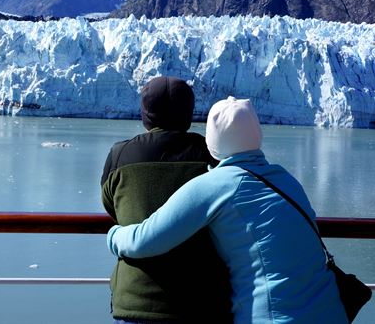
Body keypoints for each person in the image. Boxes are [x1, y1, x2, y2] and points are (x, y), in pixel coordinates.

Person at [107, 97, 348, 324]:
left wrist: (113, 235)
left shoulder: (216, 184)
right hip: (331, 311)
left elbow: (145, 241)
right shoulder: (285, 179)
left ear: (212, 142)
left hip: (275, 317)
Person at [101, 76, 232, 323]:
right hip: (202, 301)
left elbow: (111, 206)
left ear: (145, 113)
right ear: (189, 112)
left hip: (135, 300)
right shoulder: (211, 156)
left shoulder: (120, 155)